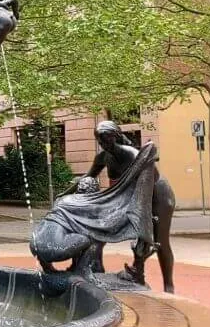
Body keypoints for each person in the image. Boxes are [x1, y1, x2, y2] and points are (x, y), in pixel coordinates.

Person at [71, 121, 176, 292]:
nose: (103, 145)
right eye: (100, 142)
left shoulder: (133, 154)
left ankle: (169, 287)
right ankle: (102, 268)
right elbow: (87, 177)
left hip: (158, 195)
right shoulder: (103, 157)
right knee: (100, 228)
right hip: (130, 195)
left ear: (116, 136)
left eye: (106, 140)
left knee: (159, 241)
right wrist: (64, 195)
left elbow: (152, 177)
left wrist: (142, 212)